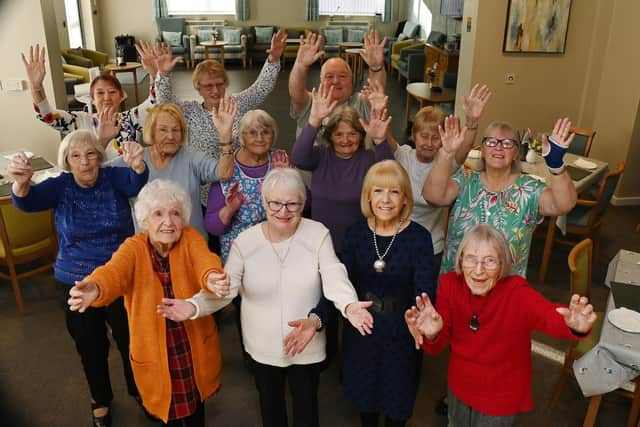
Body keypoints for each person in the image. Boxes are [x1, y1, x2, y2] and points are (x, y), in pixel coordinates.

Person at [159, 168, 375, 427]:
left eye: (292, 204)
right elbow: (225, 291)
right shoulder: (245, 242)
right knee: (271, 408)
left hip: (306, 340)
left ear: (302, 204)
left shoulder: (318, 234)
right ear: (264, 202)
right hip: (262, 346)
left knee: (307, 409)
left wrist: (349, 305)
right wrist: (194, 306)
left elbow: (334, 274)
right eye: (275, 203)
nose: (283, 211)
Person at [9, 130, 148, 427]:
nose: (85, 162)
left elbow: (136, 180)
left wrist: (138, 165)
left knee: (131, 339)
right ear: (67, 162)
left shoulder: (113, 177)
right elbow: (27, 202)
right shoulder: (60, 186)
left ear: (99, 158)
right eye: (76, 156)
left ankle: (140, 390)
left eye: (90, 154)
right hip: (75, 279)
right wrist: (21, 183)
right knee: (90, 344)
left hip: (120, 274)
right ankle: (100, 398)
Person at [67, 179, 230, 426]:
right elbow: (114, 272)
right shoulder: (133, 248)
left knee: (196, 409)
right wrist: (96, 286)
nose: (168, 221)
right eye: (158, 214)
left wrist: (212, 278)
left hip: (191, 345)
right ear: (144, 220)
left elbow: (205, 260)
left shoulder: (190, 238)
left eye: (175, 213)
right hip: (155, 349)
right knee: (168, 413)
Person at [405, 224, 596, 426]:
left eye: (489, 261)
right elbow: (437, 344)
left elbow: (547, 315)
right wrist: (433, 334)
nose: (479, 270)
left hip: (501, 396)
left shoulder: (516, 291)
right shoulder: (450, 284)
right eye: (471, 259)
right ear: (460, 260)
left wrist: (574, 325)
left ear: (502, 264)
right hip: (460, 386)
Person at [340, 160, 436, 427]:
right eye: (378, 191)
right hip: (363, 330)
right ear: (367, 196)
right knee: (366, 404)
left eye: (394, 191)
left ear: (405, 198)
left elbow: (425, 290)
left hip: (402, 333)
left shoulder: (419, 238)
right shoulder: (355, 234)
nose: (385, 199)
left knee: (397, 406)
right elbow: (341, 284)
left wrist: (421, 320)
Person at [424, 117, 578, 277]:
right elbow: (432, 196)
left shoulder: (529, 190)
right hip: (456, 287)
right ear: (482, 150)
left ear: (516, 152)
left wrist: (556, 166)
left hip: (504, 293)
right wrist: (446, 154)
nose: (498, 148)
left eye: (507, 143)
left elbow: (563, 205)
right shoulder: (466, 180)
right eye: (491, 142)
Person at [153, 30, 287, 205]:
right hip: (203, 189)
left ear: (226, 84)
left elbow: (261, 88)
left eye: (219, 84)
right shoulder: (190, 111)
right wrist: (163, 75)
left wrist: (274, 59)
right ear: (198, 89)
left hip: (238, 187)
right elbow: (164, 101)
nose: (215, 91)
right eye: (208, 86)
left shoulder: (237, 103)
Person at [393, 84, 491, 272]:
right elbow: (382, 137)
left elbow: (464, 148)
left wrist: (472, 122)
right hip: (398, 240)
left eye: (436, 138)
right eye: (424, 136)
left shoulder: (445, 161)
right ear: (414, 135)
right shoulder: (403, 155)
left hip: (431, 244)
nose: (429, 143)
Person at [291, 80, 394, 253]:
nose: (345, 140)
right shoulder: (320, 156)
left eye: (352, 134)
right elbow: (298, 157)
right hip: (320, 246)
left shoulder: (369, 159)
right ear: (330, 136)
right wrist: (314, 121)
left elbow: (391, 175)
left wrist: (380, 140)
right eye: (339, 134)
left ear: (361, 136)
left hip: (359, 246)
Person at [110, 102, 234, 238]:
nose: (170, 136)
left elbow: (224, 173)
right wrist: (103, 139)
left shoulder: (191, 157)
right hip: (149, 249)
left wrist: (225, 135)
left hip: (190, 248)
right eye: (163, 130)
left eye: (176, 130)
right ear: (151, 131)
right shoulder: (134, 158)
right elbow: (92, 172)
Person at [22, 42, 159, 160]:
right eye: (100, 93)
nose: (106, 98)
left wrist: (154, 74)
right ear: (92, 99)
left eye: (112, 92)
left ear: (121, 96)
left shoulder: (132, 118)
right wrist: (36, 87)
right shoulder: (80, 121)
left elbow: (155, 103)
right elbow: (47, 116)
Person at [204, 109, 290, 262]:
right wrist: (229, 209)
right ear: (241, 137)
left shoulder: (280, 159)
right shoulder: (227, 166)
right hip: (238, 255)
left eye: (265, 132)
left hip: (276, 251)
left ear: (273, 136)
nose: (259, 138)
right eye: (252, 133)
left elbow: (305, 203)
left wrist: (286, 178)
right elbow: (213, 227)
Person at [289, 29, 387, 139]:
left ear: (351, 81)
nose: (336, 81)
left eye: (342, 76)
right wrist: (300, 65)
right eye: (329, 76)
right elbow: (296, 93)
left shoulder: (360, 102)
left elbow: (376, 92)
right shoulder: (312, 102)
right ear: (321, 81)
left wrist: (376, 68)